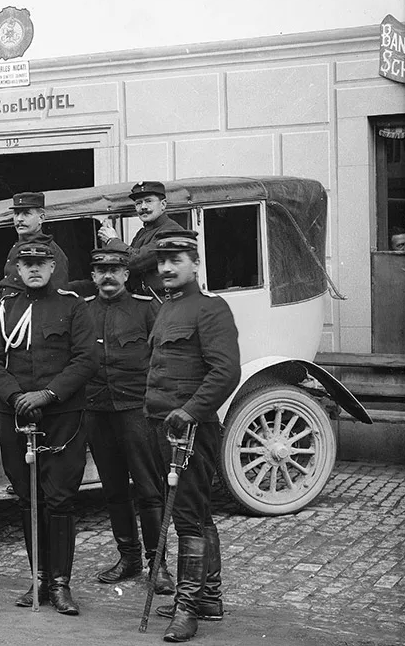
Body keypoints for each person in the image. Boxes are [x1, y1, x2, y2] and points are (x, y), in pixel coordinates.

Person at [0, 242, 95, 616]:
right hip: (17, 415)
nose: (33, 269)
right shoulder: (4, 309)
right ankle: (39, 578)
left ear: (52, 266)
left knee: (59, 499)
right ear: (18, 267)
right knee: (28, 498)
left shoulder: (73, 306)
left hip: (62, 416)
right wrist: (16, 397)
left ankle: (61, 584)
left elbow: (86, 360)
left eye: (39, 263)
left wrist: (46, 394)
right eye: (25, 263)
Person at [145, 230, 240, 643]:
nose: (166, 267)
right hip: (161, 426)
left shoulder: (211, 309)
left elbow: (226, 371)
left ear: (195, 264)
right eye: (162, 261)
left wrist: (190, 411)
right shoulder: (166, 309)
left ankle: (187, 609)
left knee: (187, 518)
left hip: (190, 429)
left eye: (176, 260)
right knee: (196, 512)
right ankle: (209, 597)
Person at [82, 246, 173, 594]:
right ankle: (129, 558)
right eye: (100, 270)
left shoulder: (146, 308)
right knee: (114, 490)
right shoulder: (83, 311)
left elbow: (164, 358)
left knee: (150, 490)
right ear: (93, 276)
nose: (107, 276)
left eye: (114, 270)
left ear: (125, 275)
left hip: (137, 411)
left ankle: (158, 564)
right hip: (97, 411)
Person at [97, 181, 185, 297]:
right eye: (138, 203)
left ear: (163, 204)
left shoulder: (172, 232)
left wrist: (112, 241)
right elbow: (127, 265)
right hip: (144, 301)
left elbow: (136, 262)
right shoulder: (142, 233)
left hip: (164, 304)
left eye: (148, 201)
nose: (143, 207)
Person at [0, 191, 70, 295]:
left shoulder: (52, 251)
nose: (19, 219)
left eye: (26, 213)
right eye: (16, 214)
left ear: (41, 218)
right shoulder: (16, 247)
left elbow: (57, 297)